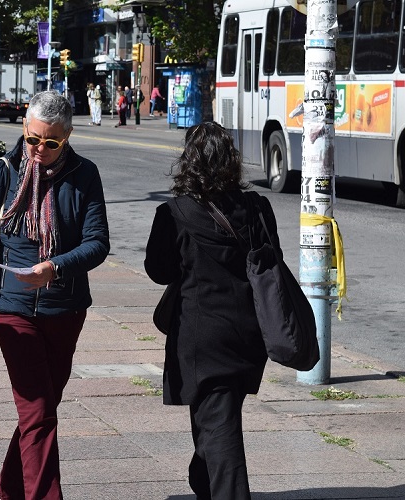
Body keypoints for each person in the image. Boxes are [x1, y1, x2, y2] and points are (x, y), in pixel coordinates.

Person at [0, 91, 110, 499]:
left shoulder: (84, 175)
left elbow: (97, 242)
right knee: (37, 412)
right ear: (24, 127)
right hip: (12, 309)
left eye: (51, 143)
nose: (39, 150)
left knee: (41, 411)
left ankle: (10, 485)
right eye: (34, 139)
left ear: (67, 138)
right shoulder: (1, 173)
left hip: (65, 309)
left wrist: (57, 267)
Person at [143, 122, 270, 500]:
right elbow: (270, 262)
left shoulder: (174, 212)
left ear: (189, 161)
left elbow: (158, 270)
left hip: (201, 337)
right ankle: (204, 483)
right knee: (218, 418)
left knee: (218, 424)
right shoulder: (257, 207)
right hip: (248, 333)